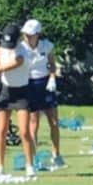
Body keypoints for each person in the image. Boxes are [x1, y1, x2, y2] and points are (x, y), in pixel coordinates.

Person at [0, 23, 35, 177]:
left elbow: (0, 69)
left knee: (24, 131)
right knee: (2, 130)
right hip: (5, 91)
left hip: (22, 92)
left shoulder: (22, 54)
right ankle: (0, 166)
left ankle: (30, 165)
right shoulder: (3, 48)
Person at [22, 19, 65, 168]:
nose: (28, 37)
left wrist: (52, 78)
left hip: (45, 83)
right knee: (33, 122)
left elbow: (52, 63)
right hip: (30, 84)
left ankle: (56, 154)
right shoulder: (21, 47)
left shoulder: (46, 46)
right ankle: (33, 156)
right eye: (26, 34)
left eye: (31, 34)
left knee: (53, 121)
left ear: (38, 34)